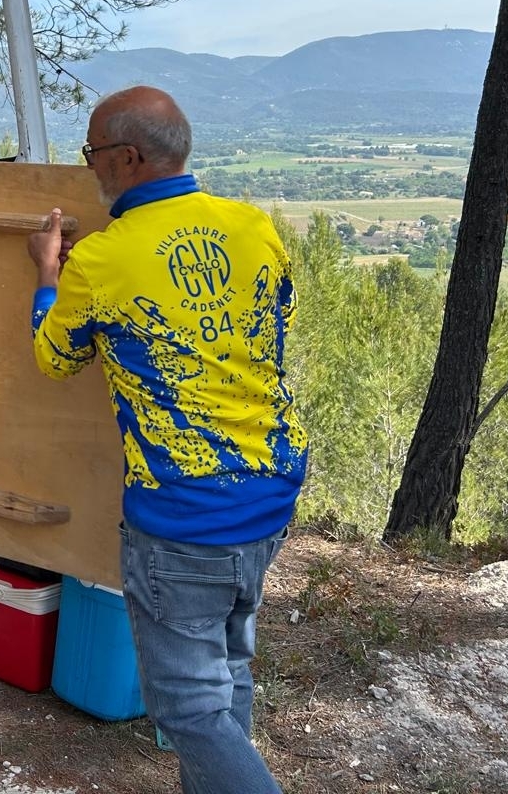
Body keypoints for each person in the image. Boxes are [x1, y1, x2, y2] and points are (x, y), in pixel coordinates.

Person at [27, 85, 304, 794]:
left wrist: (49, 277)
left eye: (92, 153)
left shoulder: (102, 260)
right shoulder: (254, 226)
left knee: (187, 709)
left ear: (127, 157)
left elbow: (54, 358)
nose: (89, 166)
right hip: (270, 493)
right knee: (227, 673)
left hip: (185, 517)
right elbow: (273, 319)